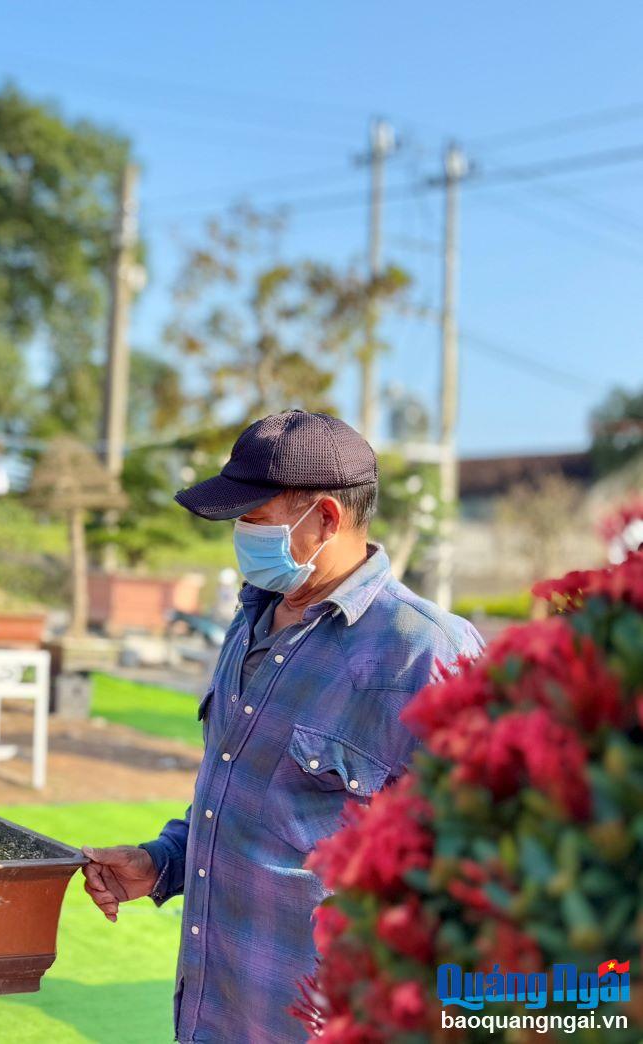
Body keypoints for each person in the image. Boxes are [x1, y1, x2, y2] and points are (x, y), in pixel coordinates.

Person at [81, 409, 482, 1044]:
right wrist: (162, 863)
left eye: (253, 520)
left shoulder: (426, 653)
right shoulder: (252, 621)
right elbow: (241, 798)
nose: (239, 537)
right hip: (215, 1010)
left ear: (325, 517)